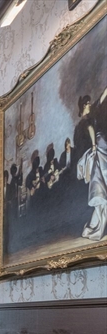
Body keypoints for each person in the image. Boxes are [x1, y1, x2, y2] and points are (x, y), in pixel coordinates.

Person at [76, 90, 107, 241]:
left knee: (101, 184)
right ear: (83, 106)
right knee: (100, 184)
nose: (89, 105)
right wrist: (94, 145)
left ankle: (97, 225)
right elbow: (90, 129)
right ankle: (97, 226)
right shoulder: (86, 119)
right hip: (97, 148)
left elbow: (101, 98)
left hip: (100, 146)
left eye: (89, 103)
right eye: (87, 103)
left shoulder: (91, 113)